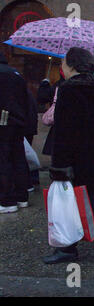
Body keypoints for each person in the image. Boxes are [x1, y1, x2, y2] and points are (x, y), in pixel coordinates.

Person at [43, 47, 94, 264]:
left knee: (67, 203)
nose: (62, 67)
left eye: (64, 63)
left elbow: (63, 131)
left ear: (72, 66)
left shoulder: (68, 90)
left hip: (73, 158)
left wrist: (59, 164)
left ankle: (67, 249)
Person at [0, 52, 30, 214]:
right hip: (18, 122)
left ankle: (7, 200)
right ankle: (21, 197)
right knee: (18, 158)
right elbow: (26, 100)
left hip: (3, 122)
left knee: (3, 160)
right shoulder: (16, 75)